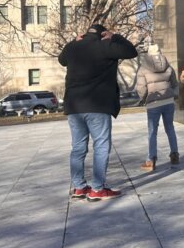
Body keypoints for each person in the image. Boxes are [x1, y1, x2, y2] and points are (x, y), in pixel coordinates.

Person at [59, 24, 138, 202]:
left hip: (74, 106)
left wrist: (73, 41)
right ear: (102, 34)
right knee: (101, 146)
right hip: (97, 105)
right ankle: (97, 189)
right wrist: (115, 36)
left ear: (85, 34)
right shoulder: (106, 45)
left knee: (78, 147)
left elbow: (62, 60)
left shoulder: (72, 48)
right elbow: (131, 51)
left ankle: (79, 187)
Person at [135, 44, 180, 172]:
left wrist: (144, 99)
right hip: (168, 101)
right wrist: (174, 96)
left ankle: (151, 159)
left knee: (152, 131)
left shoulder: (143, 68)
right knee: (170, 128)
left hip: (153, 102)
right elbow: (175, 84)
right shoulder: (168, 66)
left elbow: (141, 88)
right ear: (160, 52)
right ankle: (175, 154)